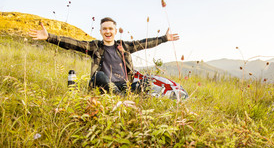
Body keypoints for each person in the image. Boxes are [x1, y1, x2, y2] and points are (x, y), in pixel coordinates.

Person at [29, 17, 179, 94]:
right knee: (99, 76)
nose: (108, 31)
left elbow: (144, 43)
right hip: (104, 86)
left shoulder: (124, 47)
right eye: (104, 29)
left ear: (115, 31)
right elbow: (72, 43)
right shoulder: (95, 47)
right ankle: (120, 98)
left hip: (125, 86)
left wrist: (164, 39)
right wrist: (49, 37)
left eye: (110, 29)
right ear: (101, 32)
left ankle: (124, 96)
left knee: (146, 81)